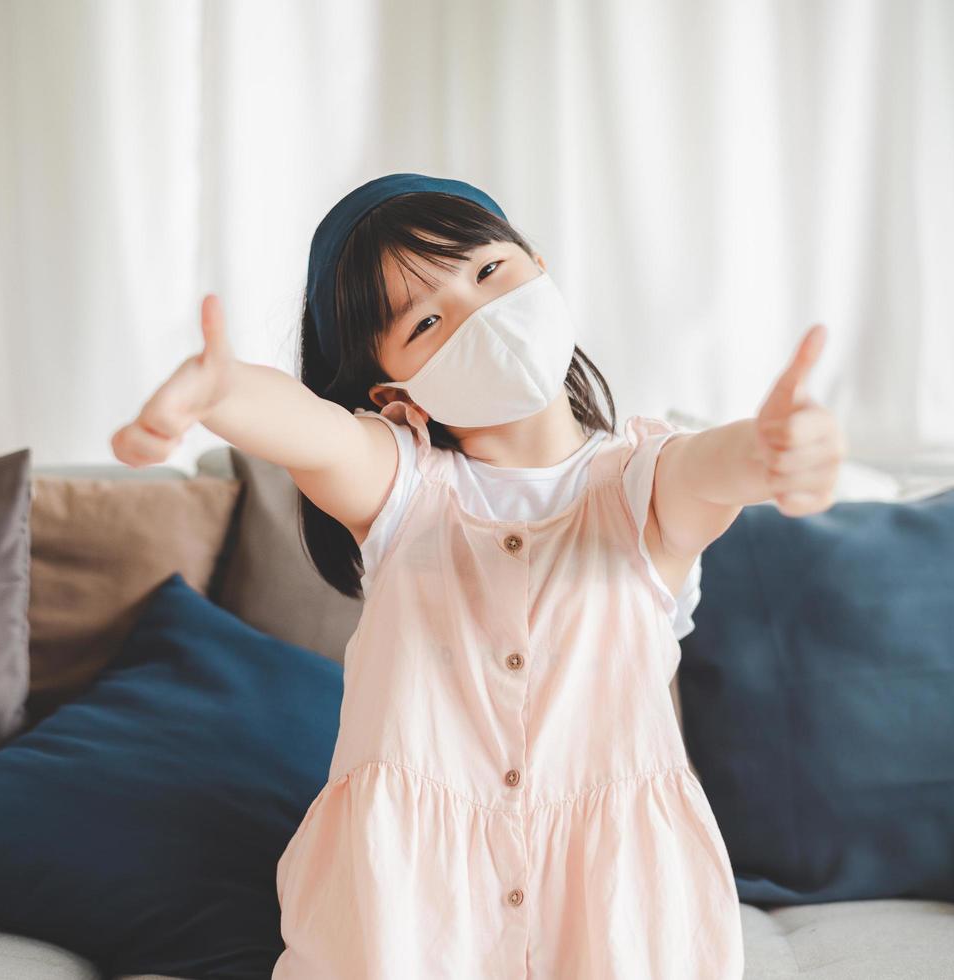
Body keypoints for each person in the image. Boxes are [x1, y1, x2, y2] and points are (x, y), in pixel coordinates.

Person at [110, 172, 846, 979]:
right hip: (412, 919)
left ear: (539, 263)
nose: (478, 314)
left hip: (618, 912)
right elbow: (309, 431)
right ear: (392, 390)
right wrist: (222, 389)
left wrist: (774, 450)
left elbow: (715, 467)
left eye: (489, 272)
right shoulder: (398, 488)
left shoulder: (644, 485)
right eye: (426, 321)